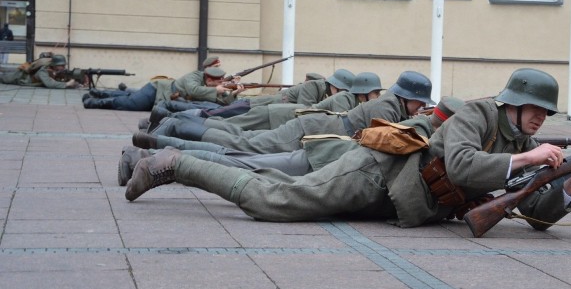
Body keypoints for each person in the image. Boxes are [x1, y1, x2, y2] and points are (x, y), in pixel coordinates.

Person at [124, 68, 571, 232]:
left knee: (269, 179)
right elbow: (461, 165)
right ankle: (173, 163)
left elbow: (539, 214)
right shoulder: (477, 116)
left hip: (397, 202)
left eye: (545, 113)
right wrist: (529, 158)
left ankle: (166, 155)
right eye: (535, 109)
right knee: (271, 201)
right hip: (374, 174)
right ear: (515, 102)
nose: (541, 118)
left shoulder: (521, 143)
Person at [117, 96, 465, 186]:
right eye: (419, 101)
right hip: (316, 143)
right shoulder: (396, 110)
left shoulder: (400, 110)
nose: (421, 106)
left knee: (237, 147)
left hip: (317, 139)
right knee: (239, 149)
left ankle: (154, 143)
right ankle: (161, 139)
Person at [131, 70, 433, 154]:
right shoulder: (386, 107)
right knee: (241, 141)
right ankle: (178, 123)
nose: (421, 108)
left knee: (238, 136)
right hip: (304, 129)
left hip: (307, 128)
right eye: (420, 103)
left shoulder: (388, 105)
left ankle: (177, 124)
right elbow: (394, 138)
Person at [156, 71, 384, 134]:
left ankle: (172, 117)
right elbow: (304, 110)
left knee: (218, 116)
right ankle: (171, 116)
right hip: (260, 106)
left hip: (269, 110)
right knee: (215, 115)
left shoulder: (332, 95)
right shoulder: (315, 87)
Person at [83, 66, 244, 111]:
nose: (220, 85)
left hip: (163, 99)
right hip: (157, 90)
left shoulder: (210, 86)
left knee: (129, 98)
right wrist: (217, 90)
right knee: (129, 103)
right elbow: (194, 91)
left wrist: (234, 93)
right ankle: (94, 102)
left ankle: (99, 93)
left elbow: (222, 103)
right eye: (217, 82)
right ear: (209, 79)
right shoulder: (194, 77)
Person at [0, 53, 79, 88]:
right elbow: (49, 84)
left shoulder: (55, 70)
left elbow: (58, 78)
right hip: (20, 77)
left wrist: (75, 82)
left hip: (23, 76)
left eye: (64, 65)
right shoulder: (43, 70)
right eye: (61, 65)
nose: (63, 67)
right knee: (2, 78)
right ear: (54, 65)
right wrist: (67, 84)